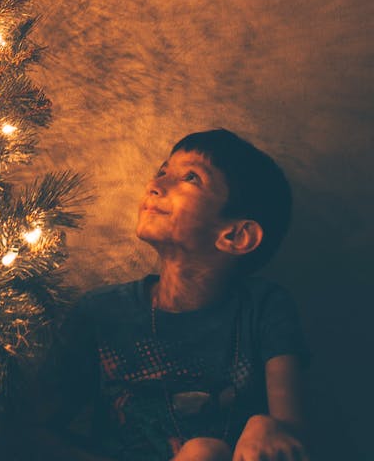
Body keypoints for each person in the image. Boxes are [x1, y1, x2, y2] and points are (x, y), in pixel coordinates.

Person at [26, 128, 310, 461]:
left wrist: (267, 426)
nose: (154, 184)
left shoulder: (264, 308)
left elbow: (294, 435)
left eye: (190, 178)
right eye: (162, 172)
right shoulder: (101, 312)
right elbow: (33, 431)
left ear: (235, 235)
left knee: (206, 452)